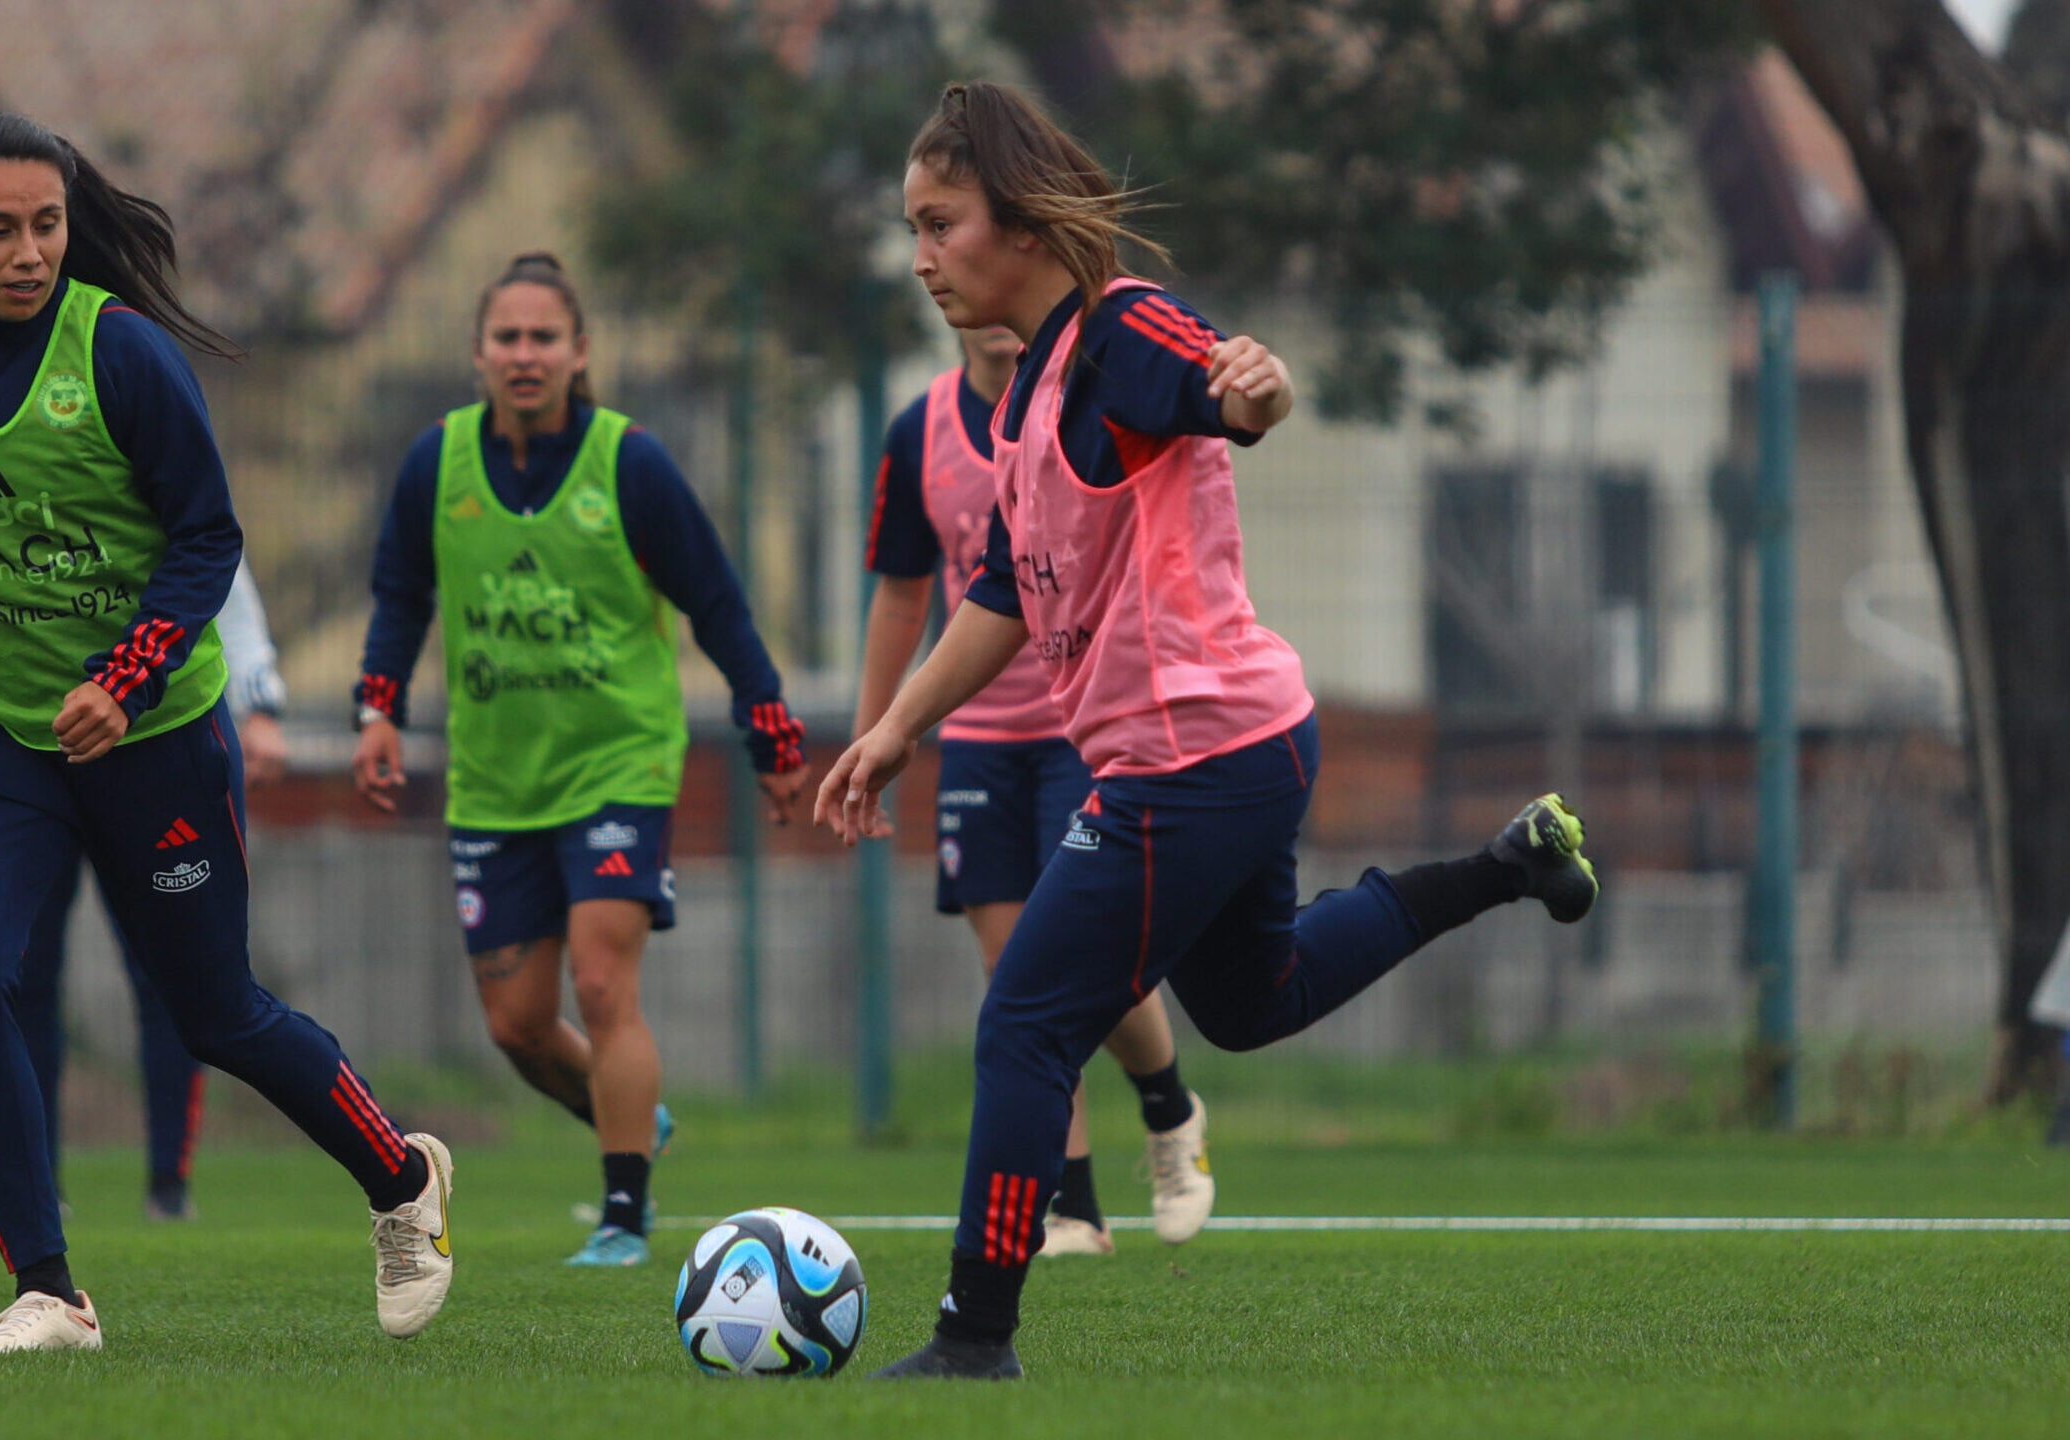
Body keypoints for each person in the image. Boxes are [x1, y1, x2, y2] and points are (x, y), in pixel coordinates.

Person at [820, 82, 1600, 1379]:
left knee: (1025, 1021)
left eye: (939, 222)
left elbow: (1228, 392)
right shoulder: (1020, 399)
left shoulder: (1122, 334)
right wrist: (899, 723)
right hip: (1237, 743)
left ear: (1019, 222)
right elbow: (1009, 589)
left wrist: (1258, 386)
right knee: (1252, 1001)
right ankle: (1505, 867)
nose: (918, 256)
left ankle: (974, 1335)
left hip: (1193, 760)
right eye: (911, 226)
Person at [0, 108, 454, 1354]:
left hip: (153, 734)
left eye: (47, 223)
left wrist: (128, 676)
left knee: (215, 1014)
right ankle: (52, 1292)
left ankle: (400, 1180)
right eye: (0, 227)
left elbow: (209, 537)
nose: (32, 248)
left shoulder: (123, 355)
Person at [352, 251, 810, 1268]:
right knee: (517, 1026)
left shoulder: (630, 463)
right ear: (477, 353)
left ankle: (622, 1213)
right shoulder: (438, 464)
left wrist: (770, 728)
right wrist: (375, 711)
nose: (525, 355)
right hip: (496, 780)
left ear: (579, 351)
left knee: (604, 987)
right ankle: (631, 1116)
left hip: (619, 767)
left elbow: (717, 602)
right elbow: (399, 595)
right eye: (506, 337)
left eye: (543, 337)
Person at [859, 323, 1213, 1256]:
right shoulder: (917, 431)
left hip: (1082, 724)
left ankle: (1171, 1111)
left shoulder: (1086, 397)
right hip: (977, 741)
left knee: (1094, 956)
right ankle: (1075, 1208)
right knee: (1012, 968)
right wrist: (875, 733)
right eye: (934, 237)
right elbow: (901, 594)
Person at [0, 546, 292, 1221]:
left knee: (180, 984)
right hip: (12, 760)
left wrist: (258, 697)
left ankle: (169, 1188)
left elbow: (210, 551)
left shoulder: (122, 440)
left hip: (140, 743)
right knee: (18, 976)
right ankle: (45, 1195)